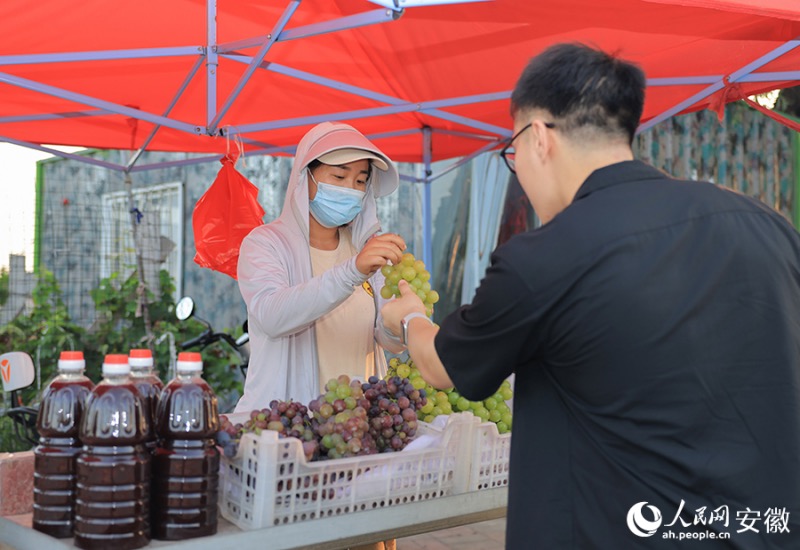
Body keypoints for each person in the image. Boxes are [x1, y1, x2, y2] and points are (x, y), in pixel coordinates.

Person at [381, 43, 800, 548]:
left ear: (538, 138)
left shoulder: (546, 255)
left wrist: (408, 319)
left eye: (512, 152)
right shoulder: (767, 227)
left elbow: (445, 366)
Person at [235, 121, 406, 414]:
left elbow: (387, 342)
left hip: (354, 428)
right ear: (305, 178)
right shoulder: (265, 244)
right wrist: (353, 271)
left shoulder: (365, 249)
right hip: (289, 427)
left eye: (361, 181)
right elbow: (273, 316)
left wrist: (399, 322)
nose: (351, 190)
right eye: (339, 176)